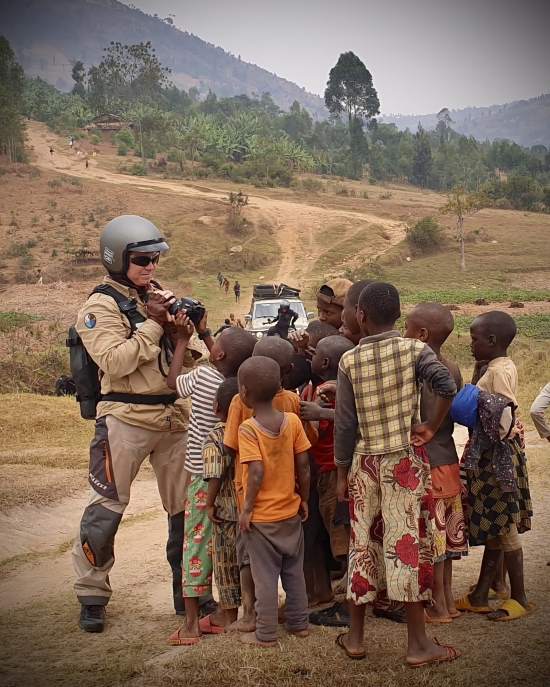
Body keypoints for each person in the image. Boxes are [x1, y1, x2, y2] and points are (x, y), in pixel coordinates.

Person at [72, 215, 201, 633]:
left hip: (172, 416)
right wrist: (151, 323)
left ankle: (189, 593)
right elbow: (113, 361)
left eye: (155, 258)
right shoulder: (99, 306)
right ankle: (92, 594)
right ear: (118, 258)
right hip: (124, 418)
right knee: (107, 507)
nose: (151, 267)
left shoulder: (159, 296)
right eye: (142, 259)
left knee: (185, 509)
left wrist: (185, 329)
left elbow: (194, 357)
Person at [334, 282, 460, 666]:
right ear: (399, 315)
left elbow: (344, 425)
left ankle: (355, 639)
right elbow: (447, 384)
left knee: (362, 546)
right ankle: (418, 644)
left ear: (360, 316)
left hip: (364, 464)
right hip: (405, 464)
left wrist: (342, 476)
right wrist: (430, 425)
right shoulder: (415, 350)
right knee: (407, 546)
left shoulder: (348, 362)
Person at [167, 323, 256, 645]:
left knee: (195, 547)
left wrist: (181, 342)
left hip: (205, 481)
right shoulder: (244, 389)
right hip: (238, 484)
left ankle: (190, 624)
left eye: (213, 343)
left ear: (216, 352)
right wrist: (207, 335)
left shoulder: (204, 376)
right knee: (229, 550)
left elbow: (173, 384)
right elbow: (227, 353)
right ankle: (230, 612)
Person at [457, 311, 533, 621]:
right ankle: (480, 594)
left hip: (496, 458)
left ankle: (520, 597)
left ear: (491, 340)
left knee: (504, 526)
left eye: (474, 339)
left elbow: (502, 416)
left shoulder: (500, 371)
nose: (470, 344)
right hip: (492, 455)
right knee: (494, 525)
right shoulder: (496, 366)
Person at [224, 336, 301, 632]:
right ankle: (298, 620)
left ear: (244, 388)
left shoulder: (239, 405)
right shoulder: (292, 402)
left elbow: (231, 447)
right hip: (288, 499)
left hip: (251, 503)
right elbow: (303, 452)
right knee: (292, 566)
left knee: (253, 563)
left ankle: (252, 616)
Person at [237, 356, 311, 647]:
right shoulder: (292, 421)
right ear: (280, 386)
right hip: (290, 512)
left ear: (243, 393)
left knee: (265, 577)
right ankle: (299, 624)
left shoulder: (248, 429)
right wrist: (303, 498)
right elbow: (303, 465)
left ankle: (265, 634)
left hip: (262, 519)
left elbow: (255, 472)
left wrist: (246, 509)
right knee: (294, 572)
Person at [405, 303, 467, 623]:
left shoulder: (415, 371)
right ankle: (450, 603)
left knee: (435, 541)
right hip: (449, 459)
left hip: (428, 464)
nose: (403, 335)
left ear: (422, 335)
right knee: (447, 538)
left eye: (407, 329)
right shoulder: (453, 368)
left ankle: (438, 606)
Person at [301, 335, 355, 627]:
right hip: (341, 471)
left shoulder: (323, 393)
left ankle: (349, 604)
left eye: (316, 353)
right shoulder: (348, 388)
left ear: (323, 362)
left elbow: (315, 433)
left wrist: (310, 414)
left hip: (332, 475)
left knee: (342, 539)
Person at [203, 377, 241, 630]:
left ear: (216, 406)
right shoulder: (253, 429)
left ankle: (227, 614)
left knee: (225, 562)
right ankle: (253, 607)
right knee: (249, 561)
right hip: (252, 510)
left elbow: (215, 472)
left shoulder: (216, 436)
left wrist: (208, 503)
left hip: (225, 511)